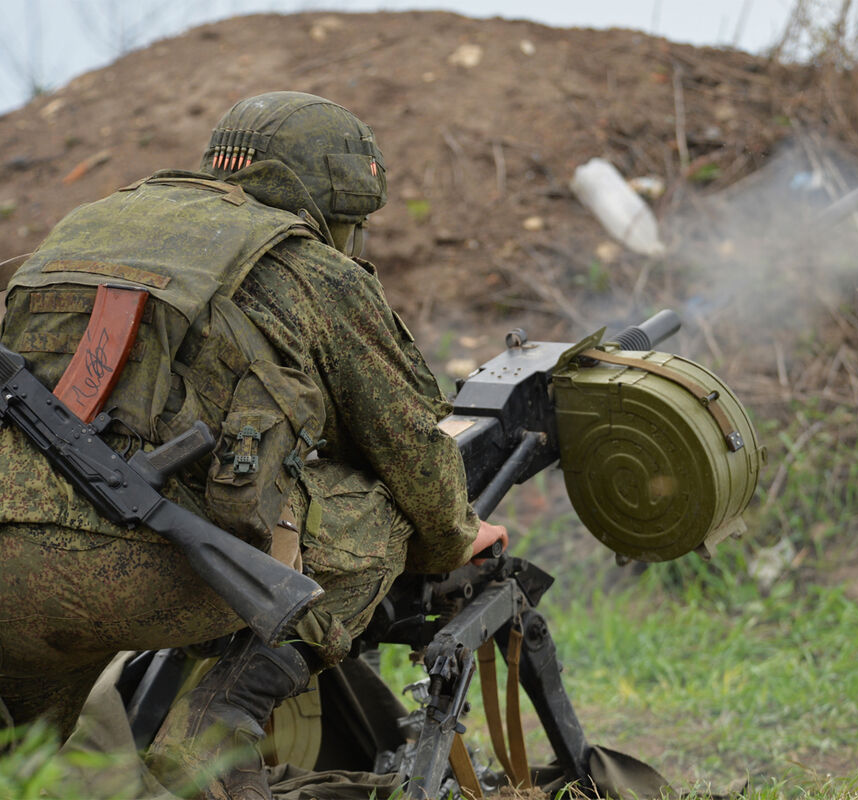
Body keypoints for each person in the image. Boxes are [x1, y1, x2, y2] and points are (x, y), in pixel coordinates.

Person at [0, 91, 507, 798]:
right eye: (350, 222)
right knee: (382, 514)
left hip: (8, 570)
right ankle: (216, 720)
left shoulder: (84, 228)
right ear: (324, 200)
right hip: (141, 566)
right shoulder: (307, 266)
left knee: (25, 767)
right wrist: (455, 537)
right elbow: (413, 451)